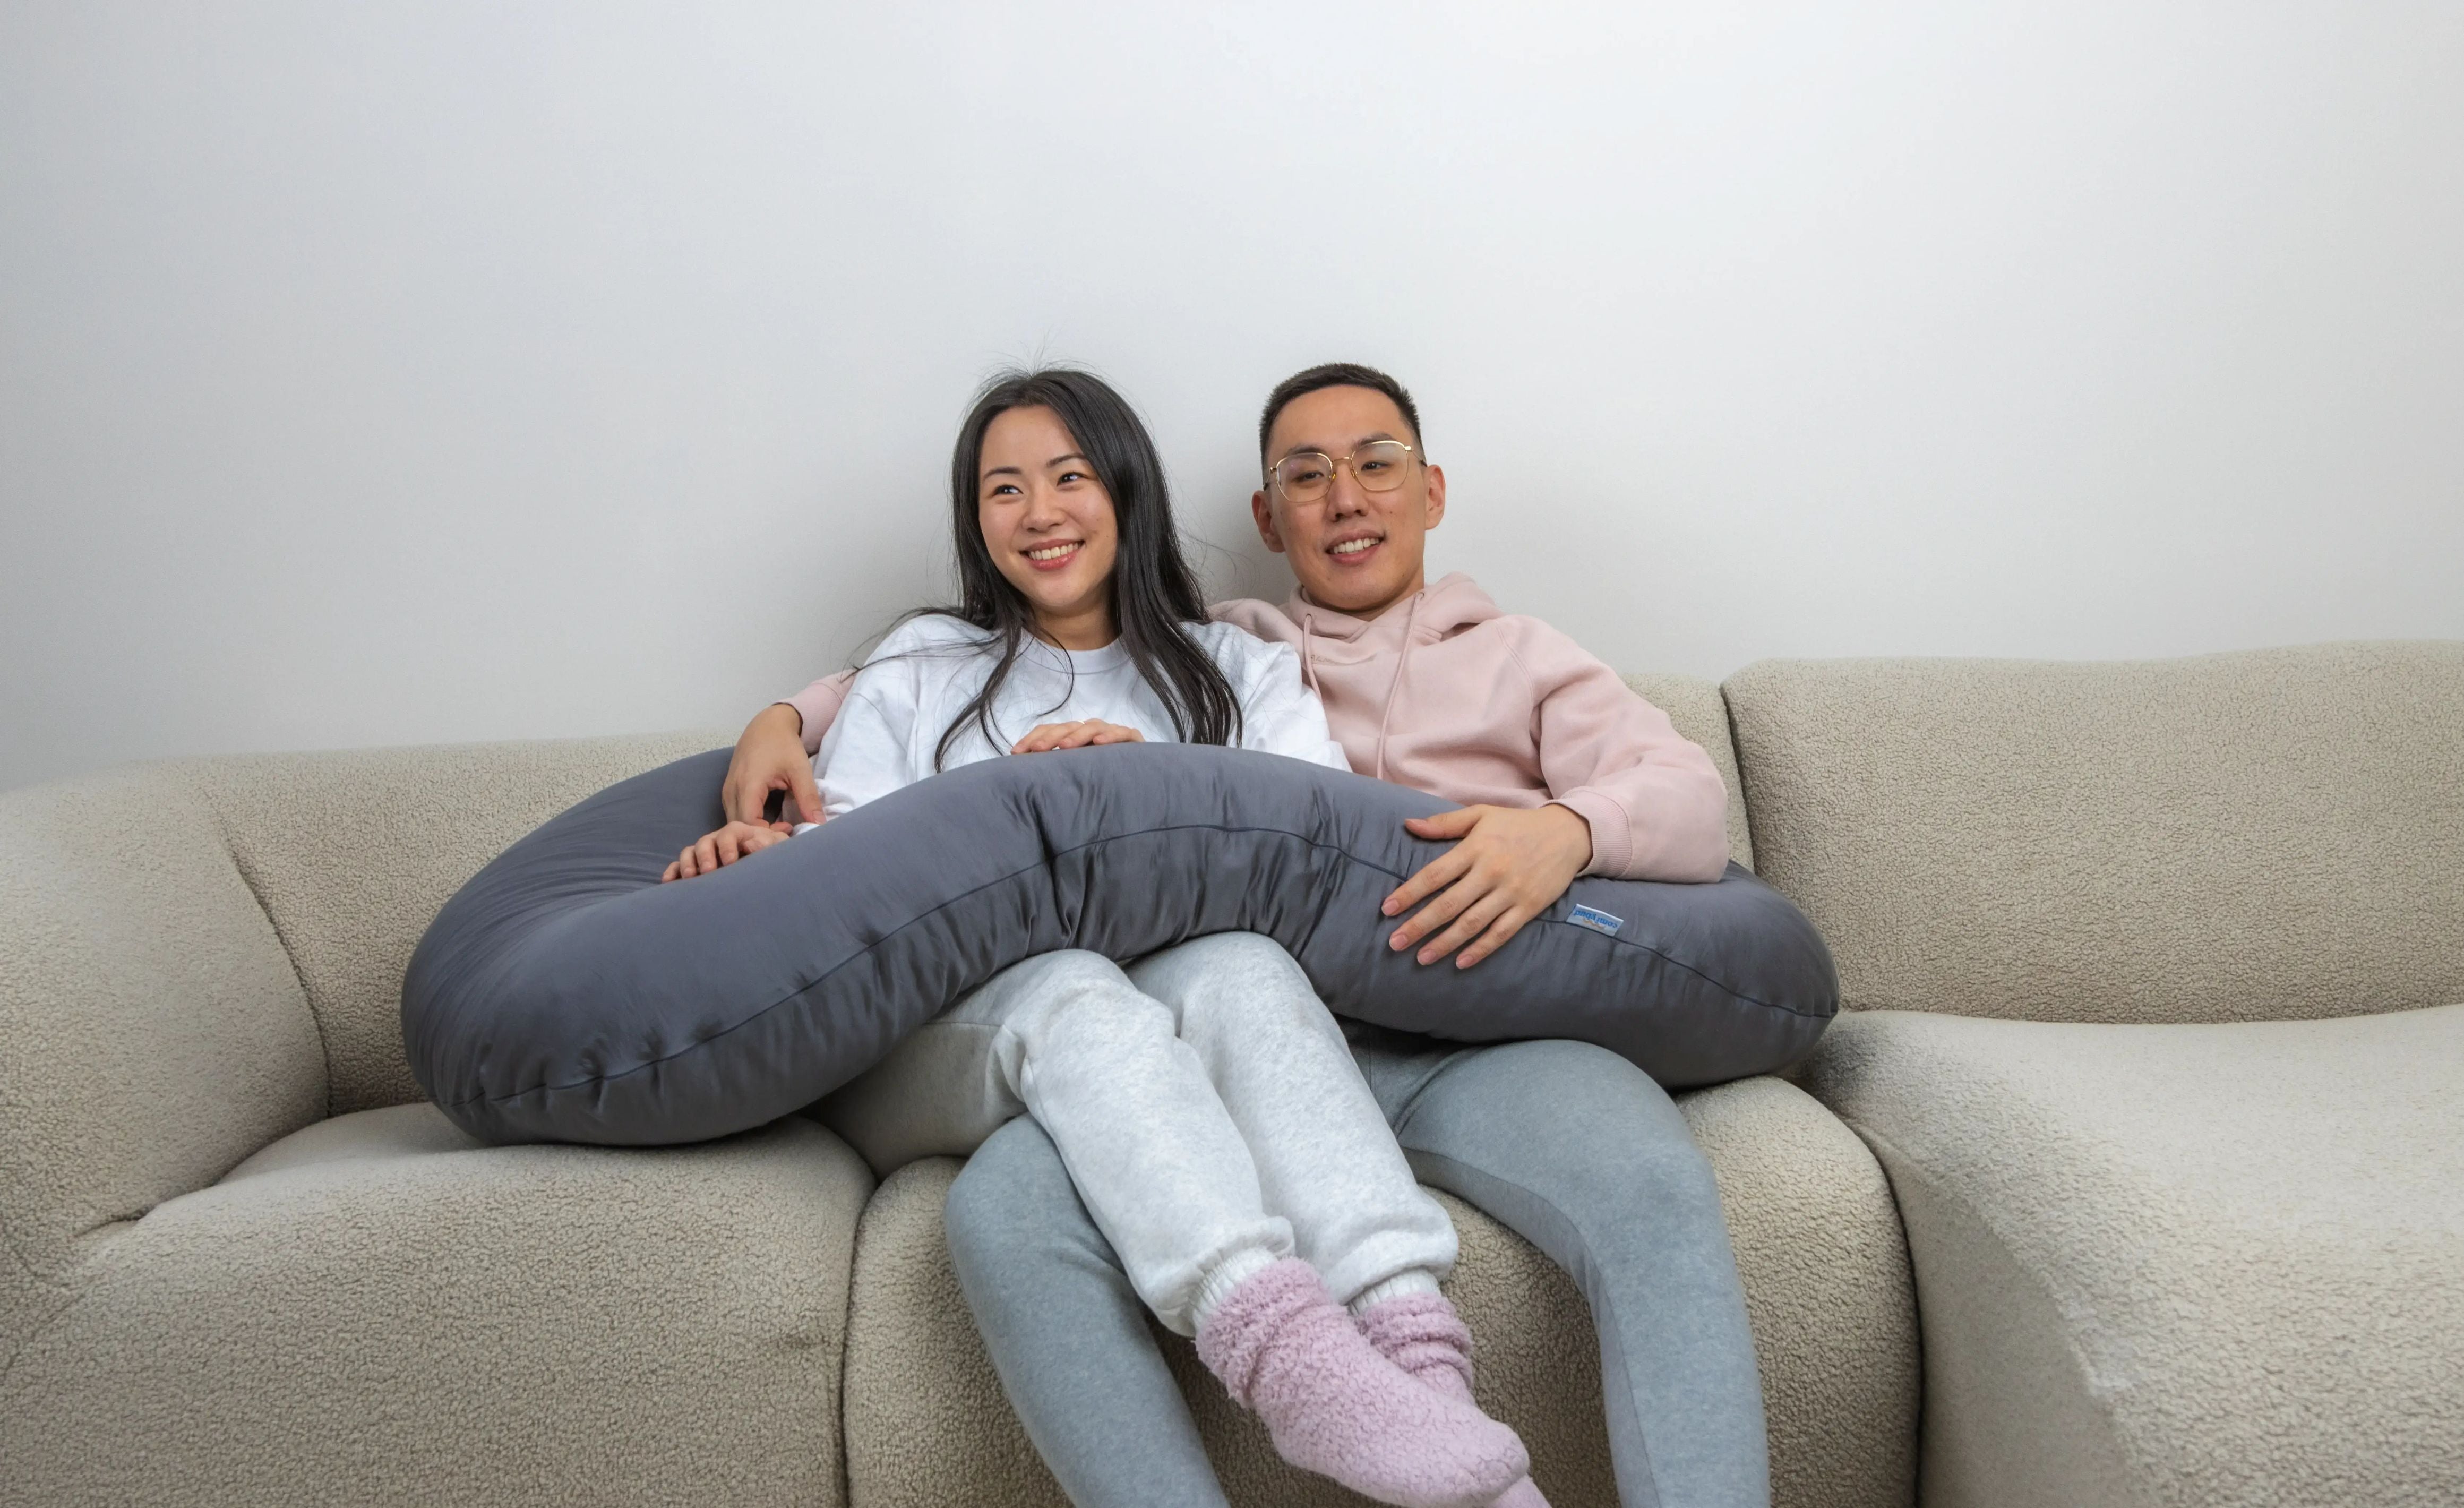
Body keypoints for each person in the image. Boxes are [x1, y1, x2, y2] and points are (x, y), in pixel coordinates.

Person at [715, 364, 1771, 1508]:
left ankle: (1424, 1399)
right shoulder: (1232, 642)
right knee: (1011, 1195)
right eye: (1305, 477)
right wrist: (785, 716)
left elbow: (1683, 794)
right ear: (1263, 519)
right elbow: (942, 674)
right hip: (1203, 1029)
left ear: (1431, 489)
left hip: (1458, 1037)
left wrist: (1563, 829)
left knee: (1643, 1176)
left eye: (1375, 464)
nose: (1345, 498)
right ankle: (1353, 1400)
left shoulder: (1496, 657)